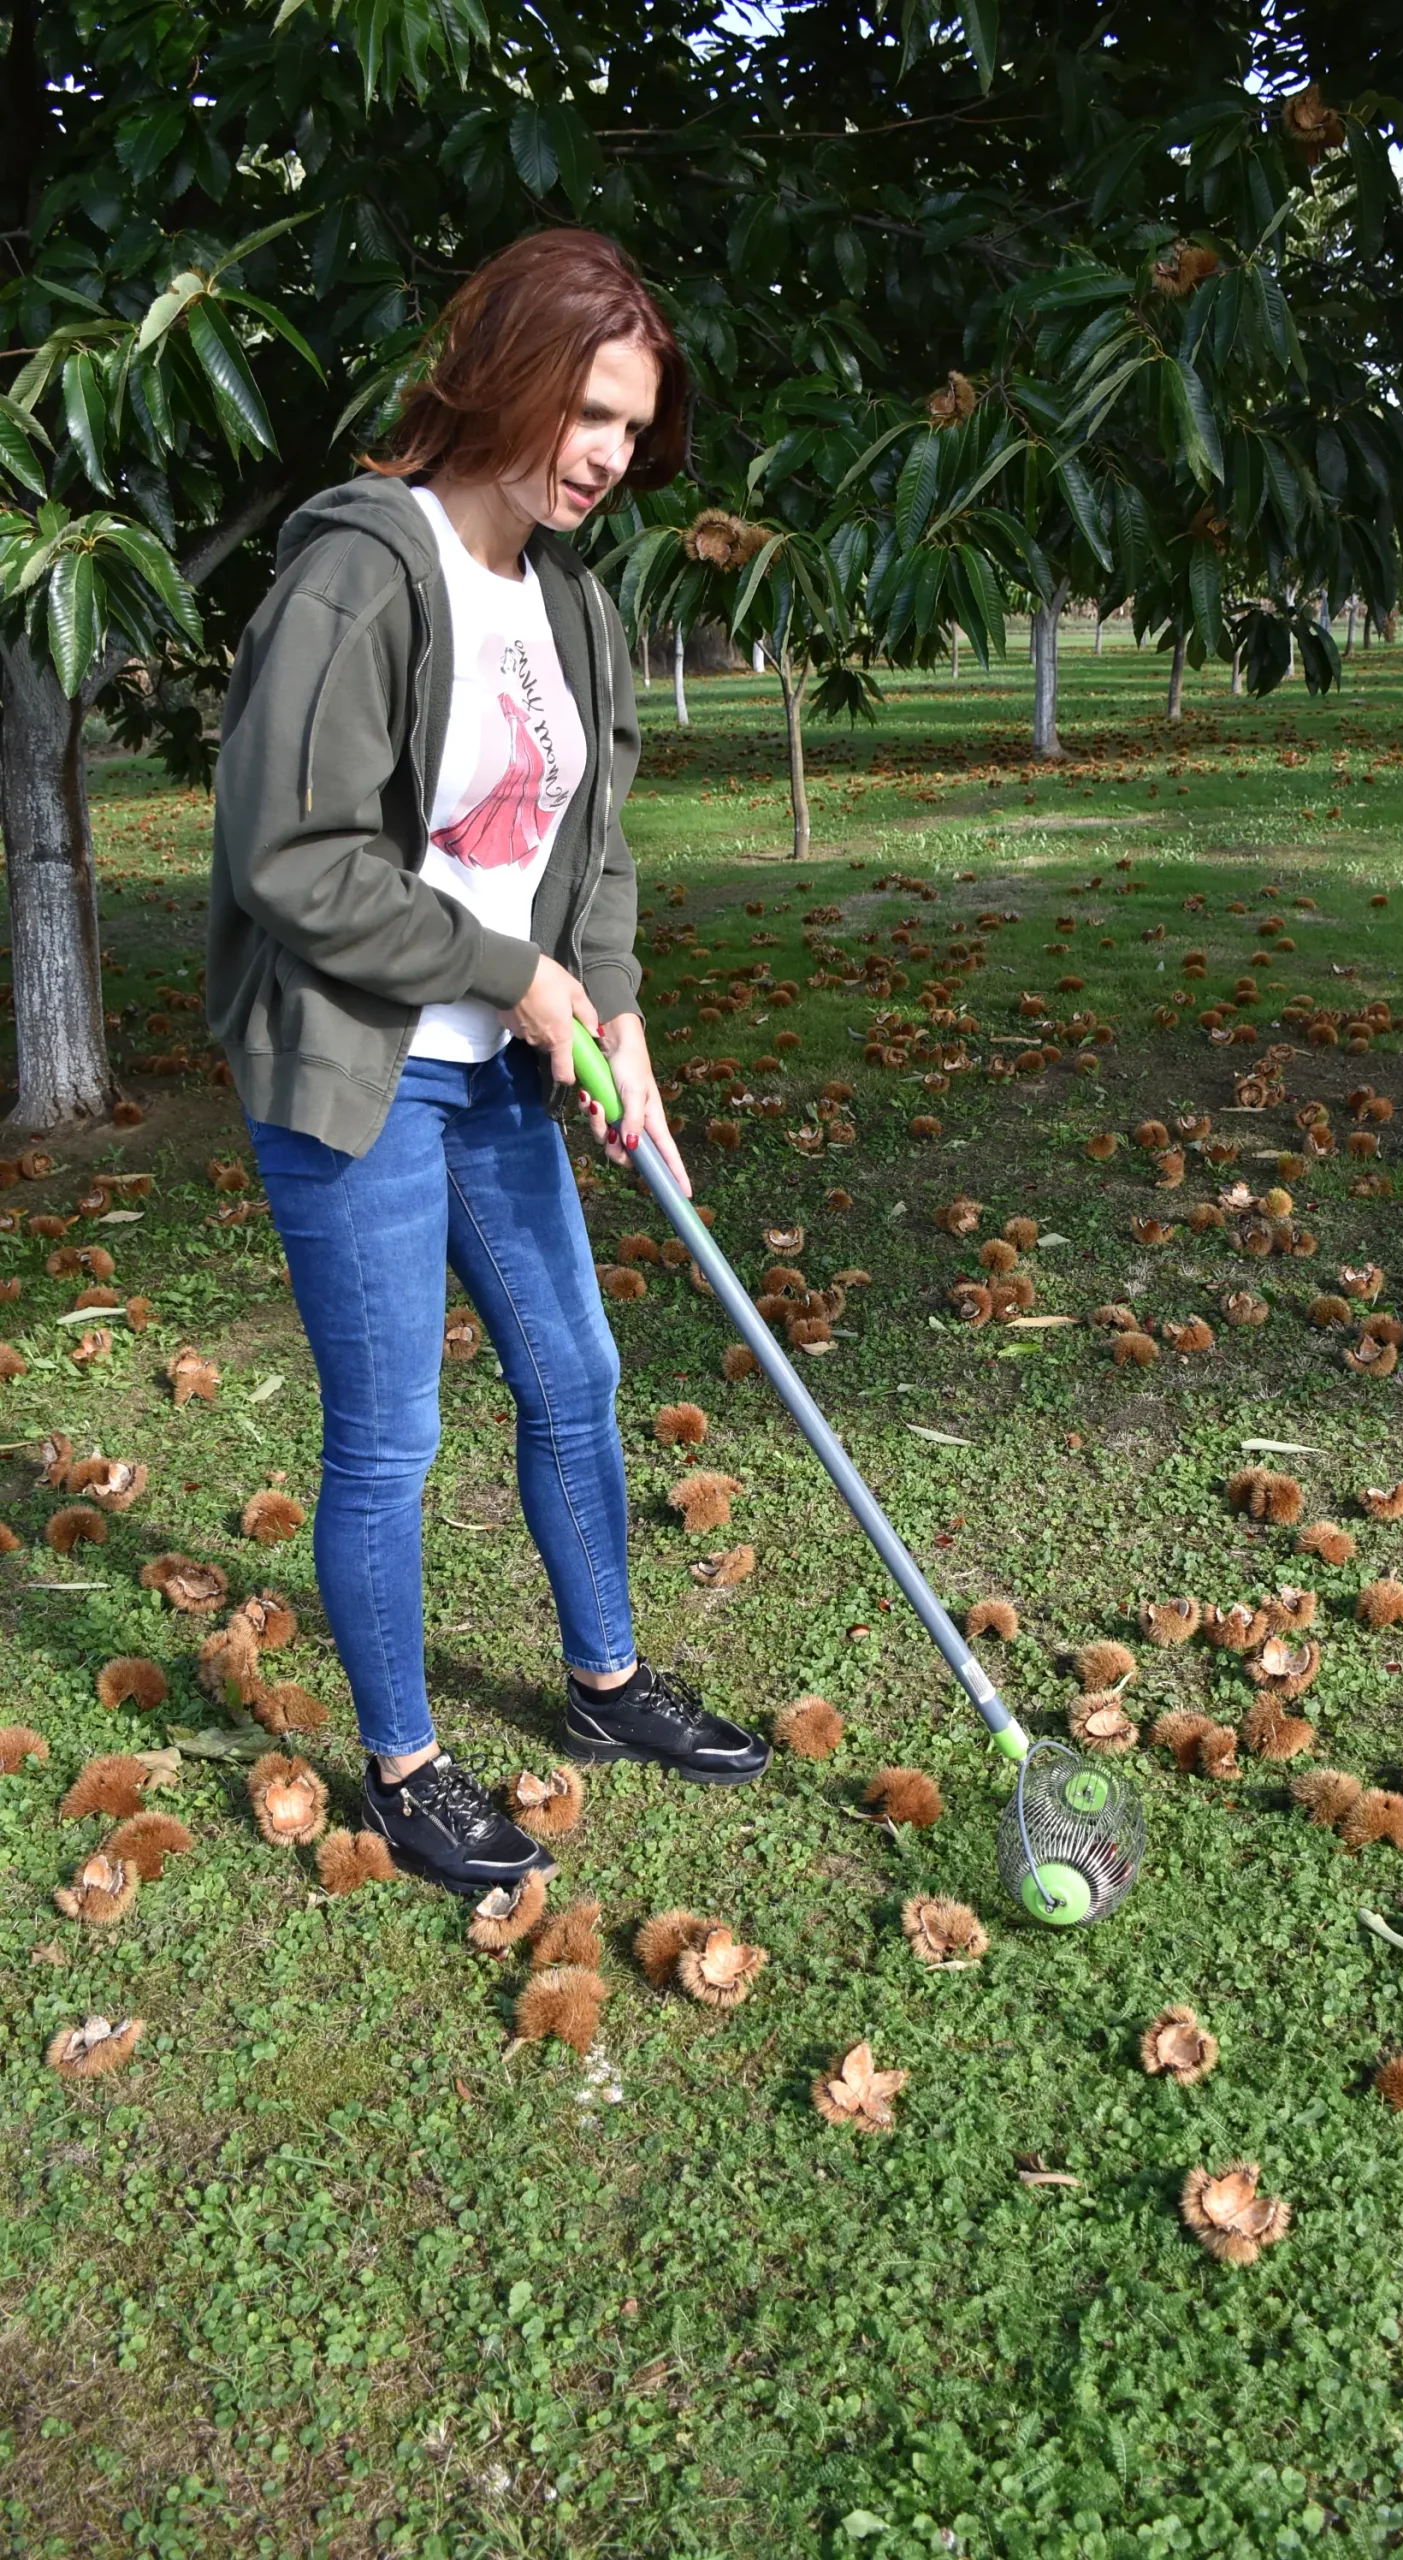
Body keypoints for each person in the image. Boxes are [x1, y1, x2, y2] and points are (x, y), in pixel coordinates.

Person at [206, 230, 769, 1897]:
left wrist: (616, 1016)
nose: (607, 456)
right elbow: (288, 856)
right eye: (589, 412)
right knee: (391, 1432)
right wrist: (510, 977)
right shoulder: (363, 571)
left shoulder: (569, 601)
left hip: (508, 1067)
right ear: (504, 375)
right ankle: (403, 1767)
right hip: (361, 1068)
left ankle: (605, 1683)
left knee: (574, 1375)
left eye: (631, 429)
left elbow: (592, 849)